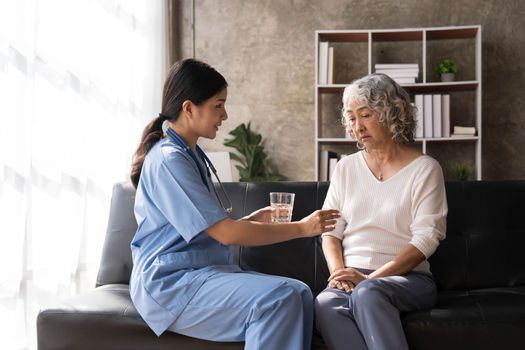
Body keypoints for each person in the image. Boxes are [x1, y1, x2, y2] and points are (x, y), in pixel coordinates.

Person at [128, 58, 339, 350]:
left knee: (300, 293)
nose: (225, 115)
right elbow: (225, 234)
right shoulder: (170, 160)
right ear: (189, 108)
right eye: (218, 105)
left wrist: (252, 219)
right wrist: (303, 228)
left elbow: (205, 228)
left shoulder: (189, 155)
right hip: (170, 284)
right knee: (279, 298)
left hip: (198, 273)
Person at [314, 73, 448, 350]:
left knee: (369, 293)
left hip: (408, 278)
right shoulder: (345, 168)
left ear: (391, 114)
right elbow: (330, 231)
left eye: (365, 115)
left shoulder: (425, 169)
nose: (357, 126)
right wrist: (339, 274)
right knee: (325, 302)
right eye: (351, 118)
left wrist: (368, 280)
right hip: (355, 275)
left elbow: (426, 239)